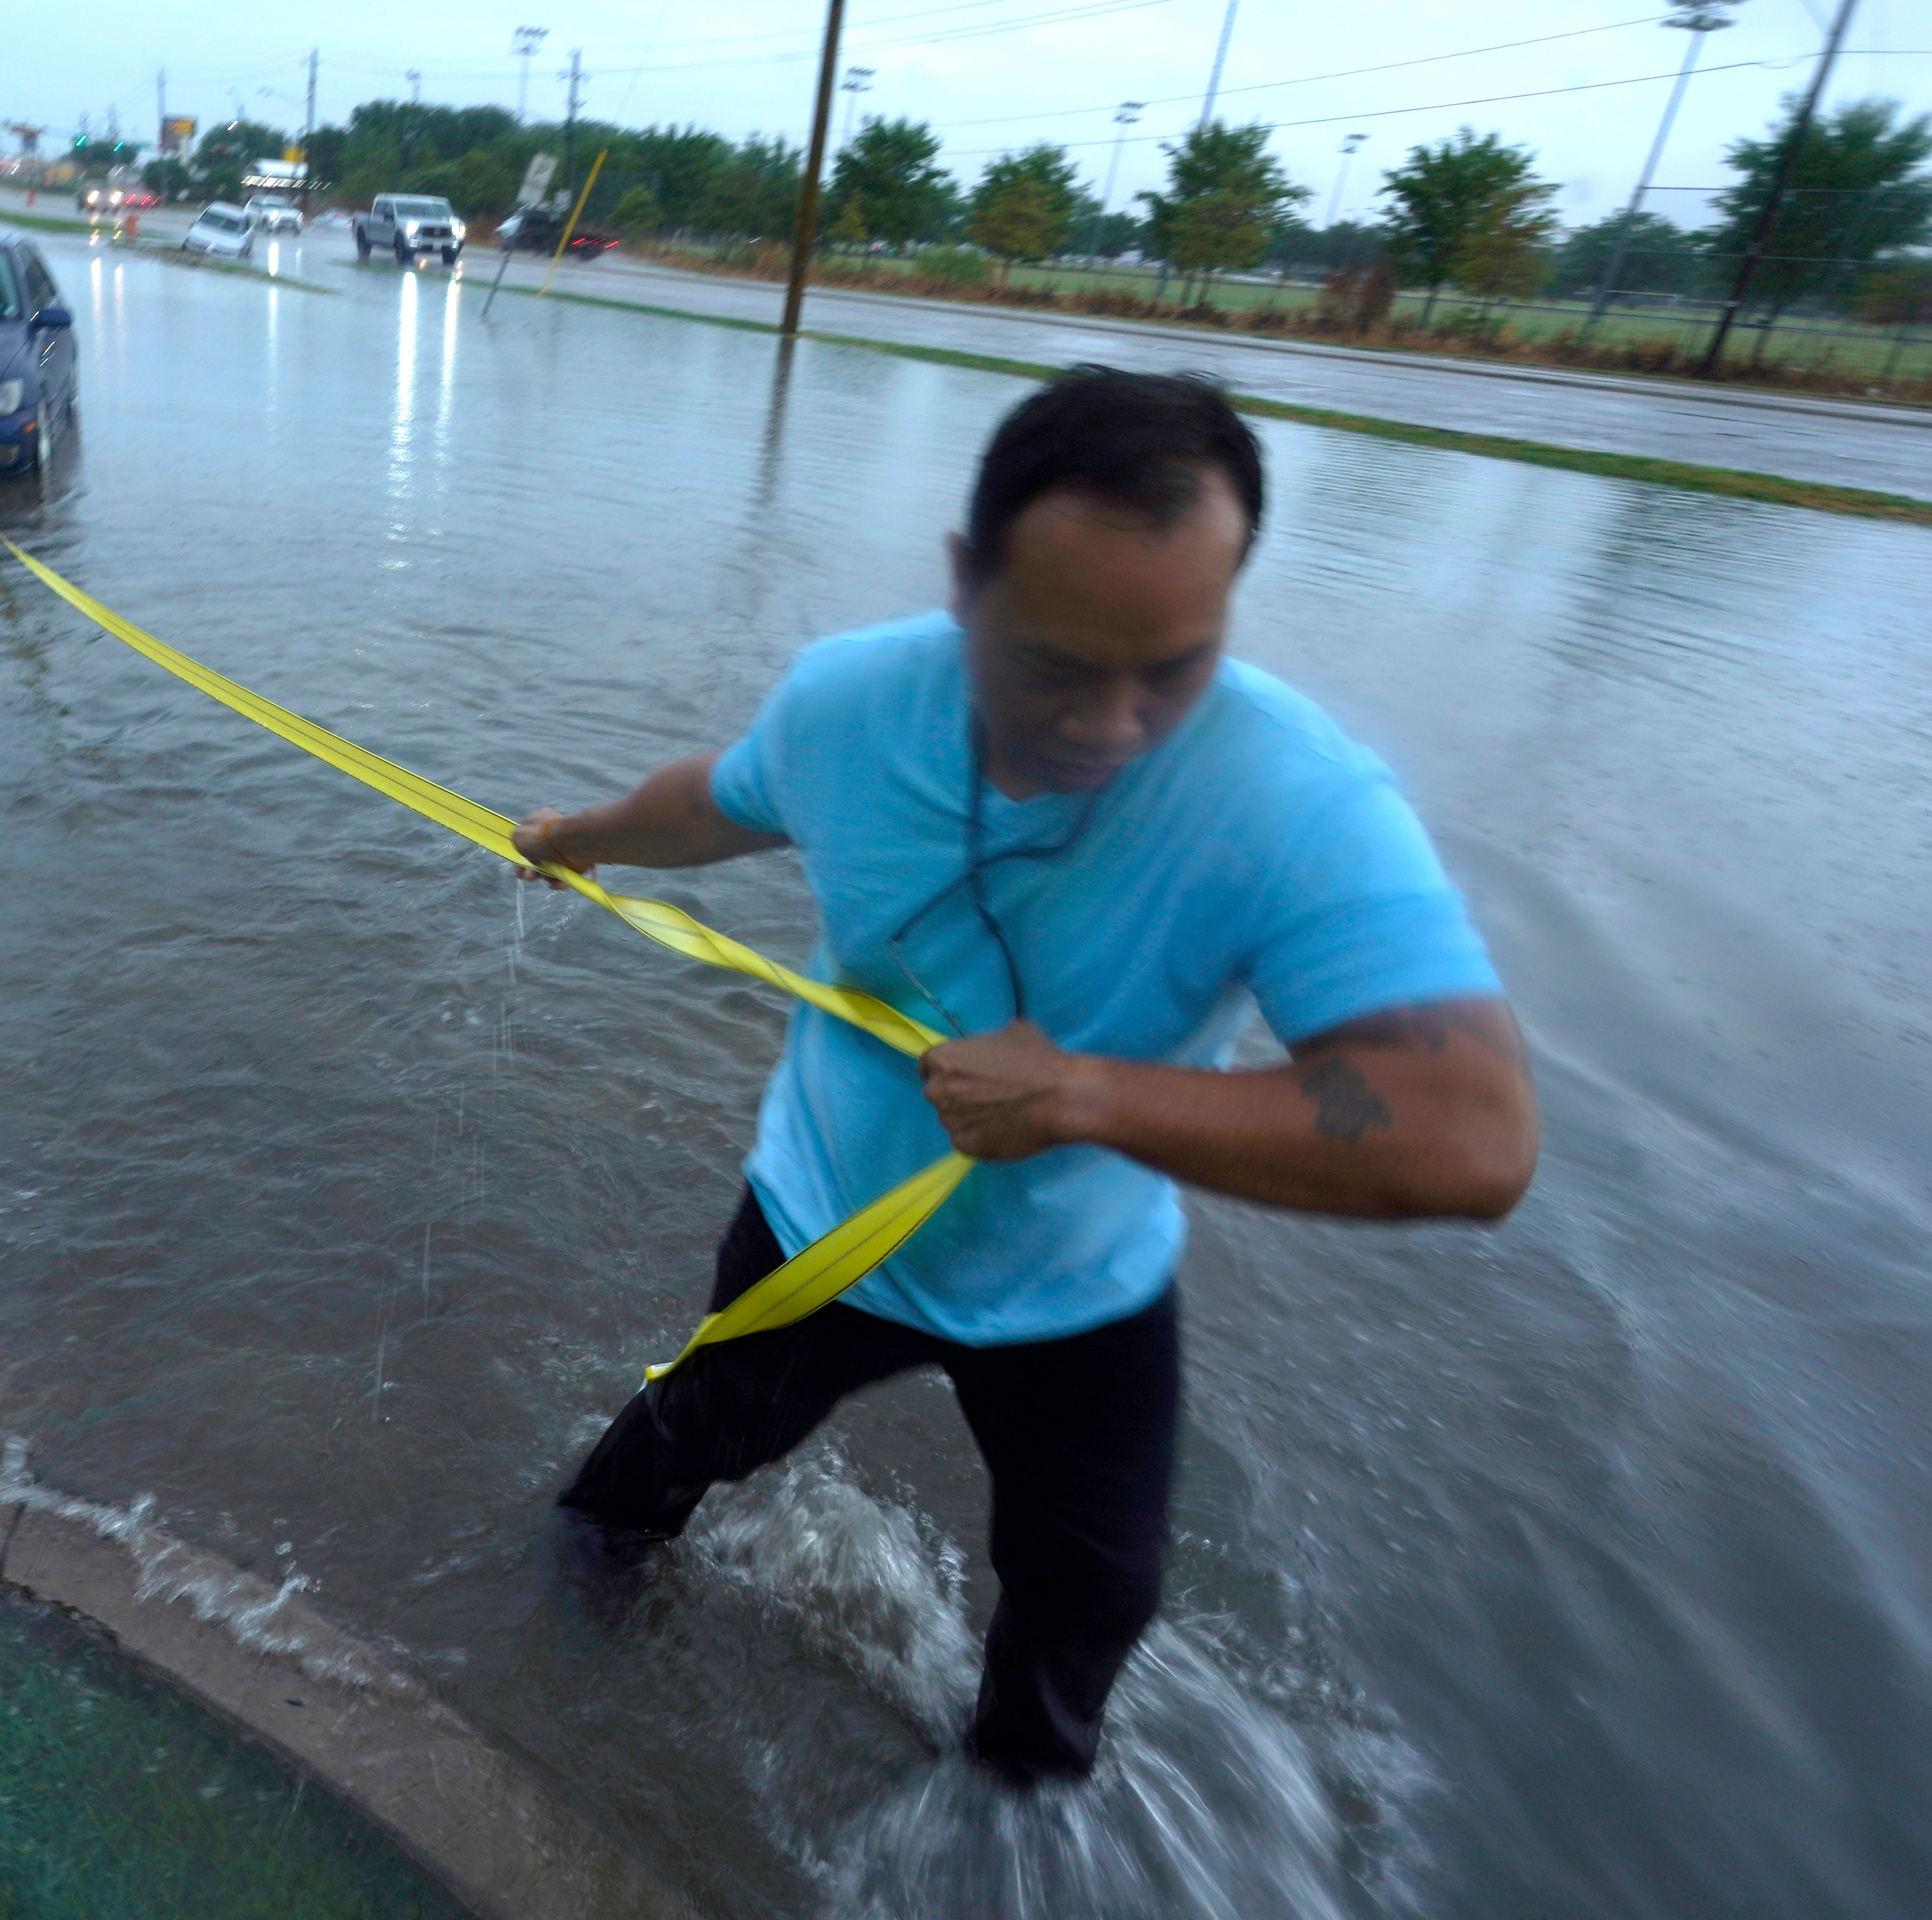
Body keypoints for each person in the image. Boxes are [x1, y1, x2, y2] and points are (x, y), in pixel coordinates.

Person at [512, 365, 1537, 1787]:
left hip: (1082, 1278)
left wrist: (1085, 1098)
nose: (1110, 725)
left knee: (1089, 1598)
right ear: (964, 581)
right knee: (677, 1444)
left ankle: (1005, 1813)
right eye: (1054, 663)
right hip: (830, 1220)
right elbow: (720, 797)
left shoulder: (1292, 798)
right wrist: (579, 836)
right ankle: (554, 1654)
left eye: (1169, 667)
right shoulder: (850, 704)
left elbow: (1468, 1128)